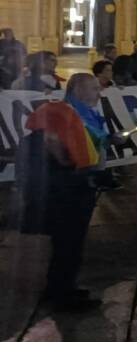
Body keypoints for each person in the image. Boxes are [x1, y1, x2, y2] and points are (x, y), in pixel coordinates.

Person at [18, 73, 120, 310]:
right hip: (66, 192)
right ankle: (62, 293)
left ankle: (60, 288)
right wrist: (81, 173)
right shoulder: (62, 115)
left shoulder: (81, 115)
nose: (99, 93)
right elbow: (59, 154)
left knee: (70, 244)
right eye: (94, 88)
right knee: (67, 244)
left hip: (77, 187)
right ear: (78, 90)